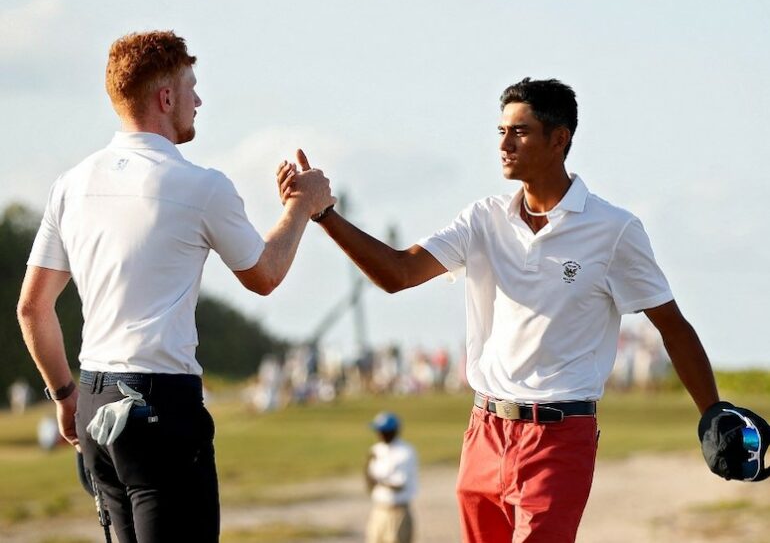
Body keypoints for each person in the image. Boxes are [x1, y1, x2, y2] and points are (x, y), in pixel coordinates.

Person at [277, 78, 766, 542]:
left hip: (560, 437)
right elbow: (398, 274)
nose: (504, 143)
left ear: (559, 139)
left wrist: (713, 411)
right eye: (501, 131)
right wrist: (325, 215)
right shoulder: (482, 219)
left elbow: (672, 328)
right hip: (484, 430)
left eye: (520, 131)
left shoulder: (614, 229)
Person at [16, 30, 334, 543]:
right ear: (166, 98)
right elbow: (266, 275)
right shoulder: (201, 186)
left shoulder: (72, 185)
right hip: (160, 405)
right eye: (191, 87)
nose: (199, 100)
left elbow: (33, 309)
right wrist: (302, 206)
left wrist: (64, 394)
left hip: (96, 398)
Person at [364, 412, 418, 543]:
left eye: (383, 431)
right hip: (378, 509)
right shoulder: (377, 450)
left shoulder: (405, 452)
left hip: (398, 512)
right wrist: (366, 467)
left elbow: (399, 486)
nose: (380, 434)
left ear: (393, 432)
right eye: (378, 431)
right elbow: (369, 480)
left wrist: (378, 481)